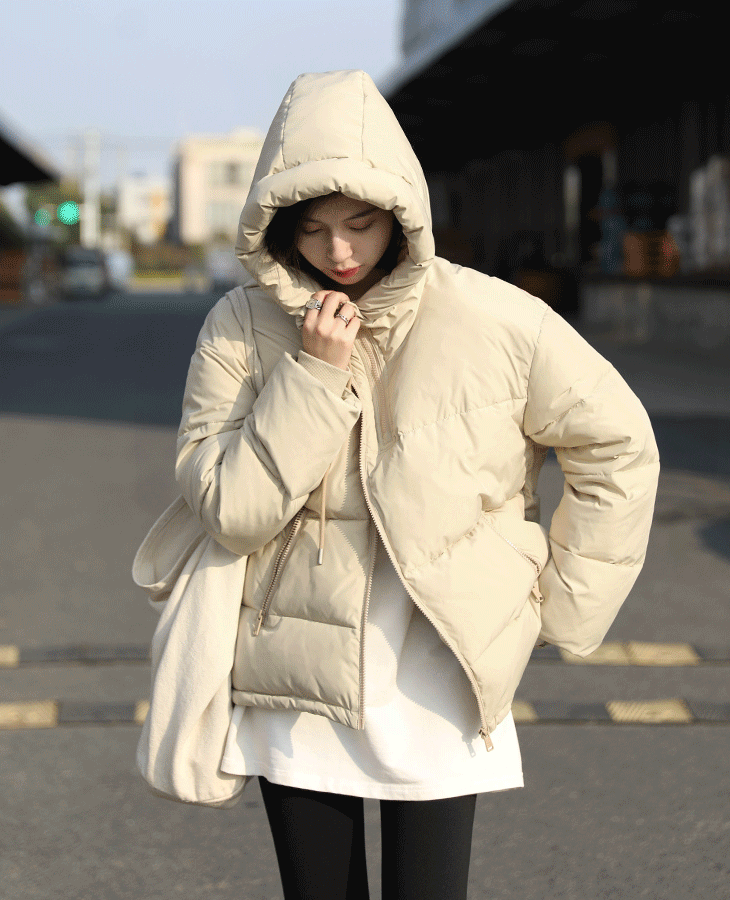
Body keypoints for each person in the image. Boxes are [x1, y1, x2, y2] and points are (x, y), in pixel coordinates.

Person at [173, 70, 659, 900]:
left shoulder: (495, 318)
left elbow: (617, 442)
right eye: (312, 229)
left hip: (439, 669)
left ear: (401, 211)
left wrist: (562, 606)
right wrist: (313, 379)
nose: (339, 252)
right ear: (276, 226)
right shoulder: (241, 325)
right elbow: (229, 511)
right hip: (294, 671)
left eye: (360, 223)